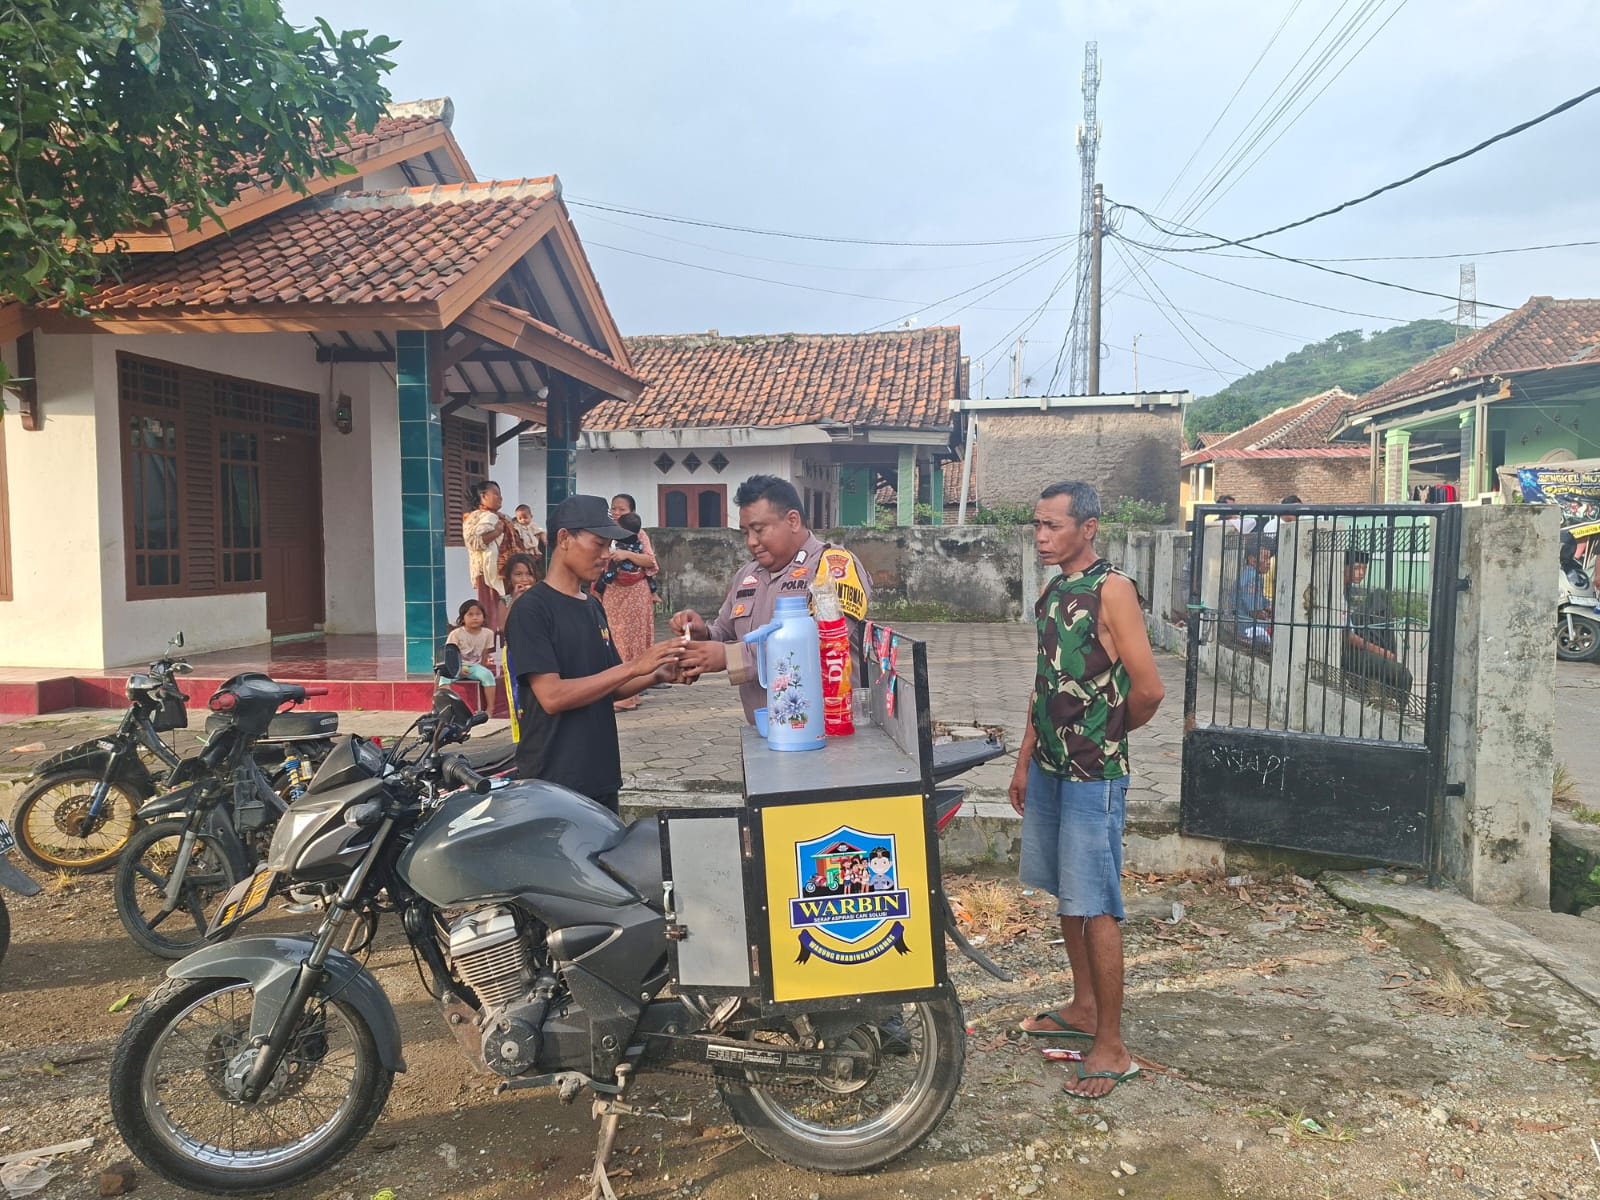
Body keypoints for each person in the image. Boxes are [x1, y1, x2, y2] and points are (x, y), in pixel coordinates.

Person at [1011, 481, 1165, 1100]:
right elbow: (1044, 681)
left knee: (1097, 901)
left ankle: (1112, 1045)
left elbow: (1149, 689)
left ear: (1089, 527)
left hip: (1092, 775)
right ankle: (1083, 1007)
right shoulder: (1055, 590)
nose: (1041, 537)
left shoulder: (1113, 589)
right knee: (1068, 893)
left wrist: (1107, 732)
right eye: (1037, 525)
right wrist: (1025, 759)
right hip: (1051, 768)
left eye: (1053, 525)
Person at [504, 494, 685, 811]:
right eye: (599, 544)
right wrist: (634, 666)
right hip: (554, 780)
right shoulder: (532, 609)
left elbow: (612, 685)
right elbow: (552, 696)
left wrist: (659, 672)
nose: (606, 555)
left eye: (609, 546)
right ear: (564, 538)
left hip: (600, 775)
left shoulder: (592, 606)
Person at [671, 474, 871, 722]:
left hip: (827, 727)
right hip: (765, 728)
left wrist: (730, 657)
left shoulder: (833, 566)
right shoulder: (747, 575)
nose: (751, 542)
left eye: (759, 530)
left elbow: (822, 642)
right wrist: (703, 634)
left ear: (793, 520)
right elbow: (725, 631)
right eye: (745, 532)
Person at [600, 495, 661, 713]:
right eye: (614, 509)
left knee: (631, 641)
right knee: (613, 639)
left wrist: (626, 554)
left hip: (636, 593)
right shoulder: (606, 533)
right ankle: (624, 693)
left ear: (632, 512)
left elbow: (650, 561)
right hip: (613, 593)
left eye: (622, 509)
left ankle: (627, 697)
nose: (617, 513)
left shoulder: (639, 534)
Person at [1339, 550, 1413, 701]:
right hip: (1345, 652)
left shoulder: (1347, 590)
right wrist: (1381, 652)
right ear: (1344, 567)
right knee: (1403, 674)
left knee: (1380, 595)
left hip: (1354, 635)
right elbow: (1347, 637)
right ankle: (1398, 708)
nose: (1361, 573)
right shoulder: (1337, 592)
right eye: (1356, 568)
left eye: (1364, 569)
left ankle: (1387, 693)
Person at [463, 480, 519, 634]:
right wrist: (496, 532)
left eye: (500, 494)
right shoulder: (475, 517)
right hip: (488, 573)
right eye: (495, 494)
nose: (500, 497)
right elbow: (473, 542)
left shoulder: (503, 517)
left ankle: (506, 638)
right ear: (483, 496)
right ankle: (489, 642)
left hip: (506, 571)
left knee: (506, 603)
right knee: (490, 609)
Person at [442, 600, 496, 689]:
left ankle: (490, 699)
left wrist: (482, 669)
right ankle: (445, 697)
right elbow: (450, 654)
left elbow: (485, 654)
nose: (475, 618)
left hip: (475, 667)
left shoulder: (488, 633)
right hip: (457, 667)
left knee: (488, 675)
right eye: (470, 614)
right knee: (443, 678)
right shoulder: (456, 633)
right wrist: (457, 669)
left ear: (484, 617)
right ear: (463, 618)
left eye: (478, 614)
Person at [1231, 539, 1273, 648]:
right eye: (1265, 558)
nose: (1269, 562)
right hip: (1248, 628)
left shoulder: (1252, 575)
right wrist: (1268, 617)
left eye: (1269, 558)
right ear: (1252, 560)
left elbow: (1264, 603)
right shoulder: (1252, 578)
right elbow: (1254, 611)